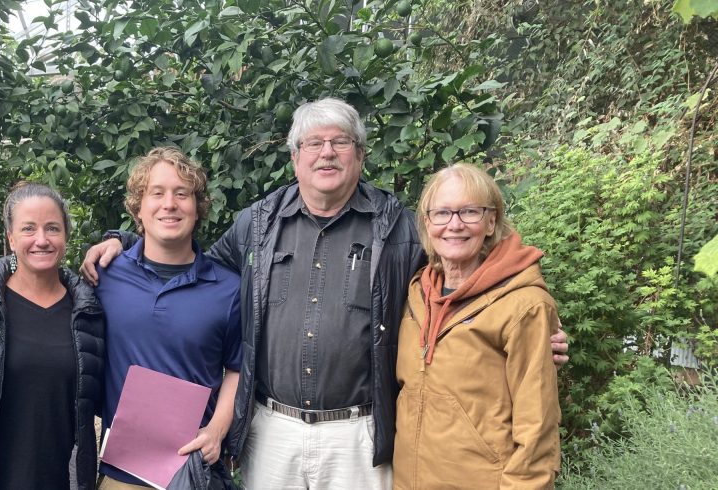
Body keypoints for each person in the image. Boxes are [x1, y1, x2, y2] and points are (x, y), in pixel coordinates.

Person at [82, 98, 569, 489]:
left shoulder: (396, 226)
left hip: (357, 434)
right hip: (271, 429)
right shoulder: (257, 223)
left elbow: (458, 270)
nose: (327, 153)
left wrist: (526, 326)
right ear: (295, 157)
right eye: (313, 143)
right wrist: (123, 243)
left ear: (360, 154)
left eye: (340, 142)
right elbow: (188, 259)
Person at [394, 163, 561, 487]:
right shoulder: (416, 294)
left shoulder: (524, 305)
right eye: (442, 213)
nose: (454, 225)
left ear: (491, 221)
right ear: (427, 224)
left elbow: (537, 432)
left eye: (469, 212)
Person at [95, 147, 241, 489]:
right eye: (156, 193)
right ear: (138, 208)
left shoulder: (228, 288)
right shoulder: (104, 275)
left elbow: (237, 367)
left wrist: (216, 431)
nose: (169, 204)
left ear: (198, 206)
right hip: (122, 472)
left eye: (182, 194)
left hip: (193, 468)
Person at [0, 182, 105, 489]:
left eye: (52, 228)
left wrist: (119, 239)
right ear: (10, 237)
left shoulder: (89, 313)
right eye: (28, 229)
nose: (41, 240)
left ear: (66, 235)